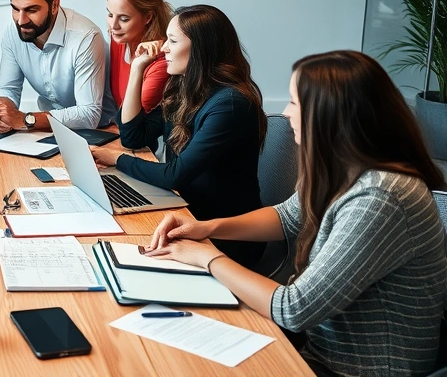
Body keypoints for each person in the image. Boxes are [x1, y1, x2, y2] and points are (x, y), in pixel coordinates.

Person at [143, 50, 447, 376]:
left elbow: (293, 309)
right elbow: (286, 217)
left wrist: (206, 257)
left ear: (329, 116)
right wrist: (205, 227)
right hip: (316, 350)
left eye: (294, 103)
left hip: (353, 369)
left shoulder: (381, 198)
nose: (285, 114)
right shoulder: (346, 168)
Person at [92, 5, 266, 268]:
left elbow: (176, 174)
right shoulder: (186, 89)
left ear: (200, 49)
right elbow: (133, 136)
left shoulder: (230, 104)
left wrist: (116, 160)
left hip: (220, 237)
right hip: (186, 213)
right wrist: (138, 69)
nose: (163, 48)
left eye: (172, 41)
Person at [0, 0, 112, 133]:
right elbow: (7, 88)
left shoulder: (85, 37)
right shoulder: (13, 32)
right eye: (15, 9)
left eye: (31, 10)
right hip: (47, 129)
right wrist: (1, 113)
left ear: (54, 6)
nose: (21, 20)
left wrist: (26, 119)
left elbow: (89, 114)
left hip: (101, 131)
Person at [105, 0, 171, 119]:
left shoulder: (161, 62)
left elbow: (131, 123)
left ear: (148, 17)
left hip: (139, 137)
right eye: (110, 14)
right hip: (118, 131)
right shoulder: (118, 39)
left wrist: (137, 66)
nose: (113, 26)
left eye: (124, 19)